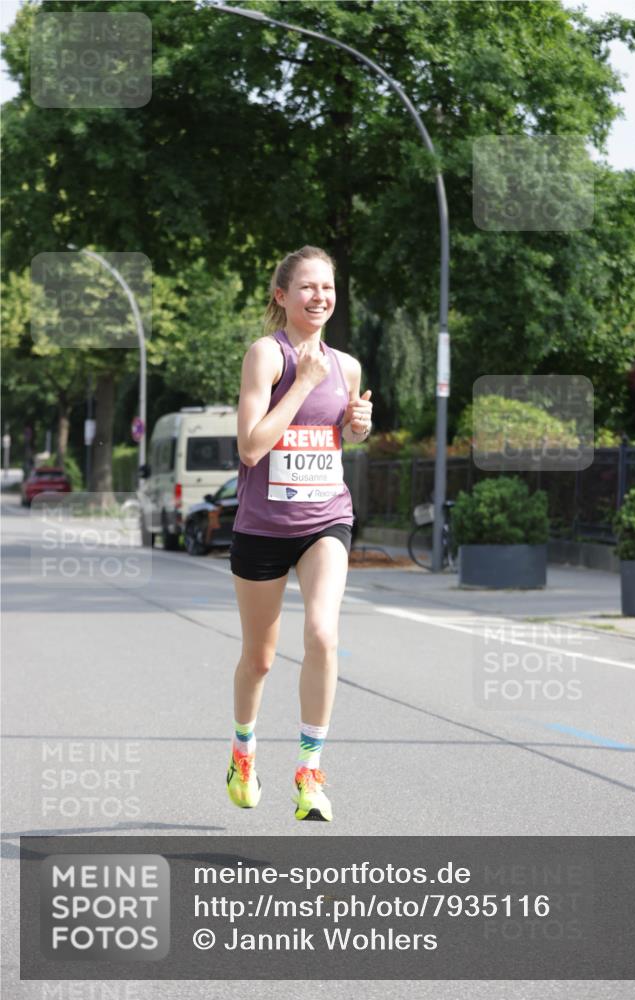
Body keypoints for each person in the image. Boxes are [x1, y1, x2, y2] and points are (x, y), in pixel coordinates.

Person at [226, 245, 372, 822]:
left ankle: (310, 771)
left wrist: (357, 428)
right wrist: (301, 384)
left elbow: (342, 439)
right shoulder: (267, 355)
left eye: (328, 288)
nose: (320, 297)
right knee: (259, 660)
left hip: (325, 520)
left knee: (321, 633)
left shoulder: (348, 365)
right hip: (262, 527)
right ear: (282, 296)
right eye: (308, 288)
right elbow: (251, 446)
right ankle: (243, 753)